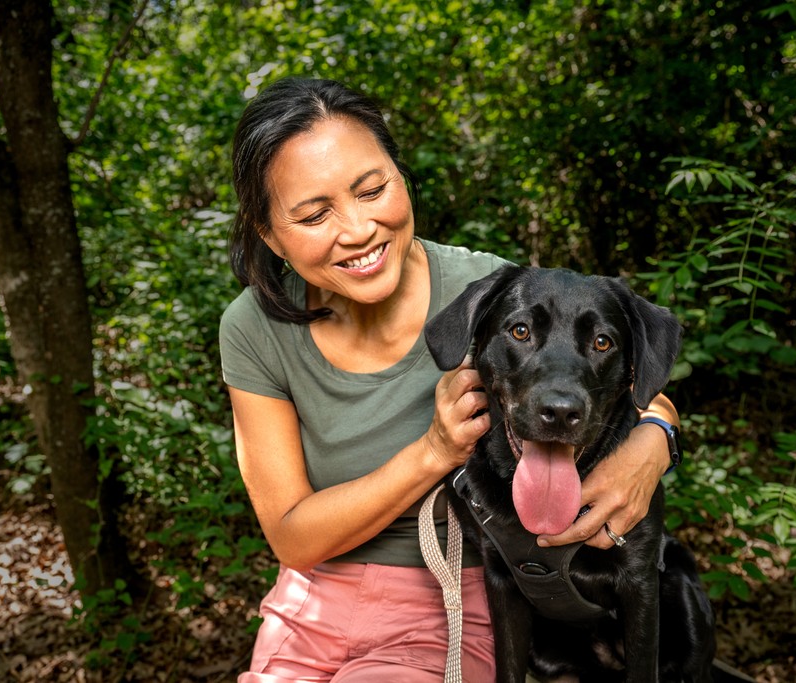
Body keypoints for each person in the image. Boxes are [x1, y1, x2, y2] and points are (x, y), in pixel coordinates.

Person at [220, 77, 680, 682]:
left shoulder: (491, 291)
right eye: (314, 213)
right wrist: (434, 451)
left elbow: (611, 375)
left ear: (402, 177)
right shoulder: (255, 326)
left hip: (447, 596)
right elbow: (292, 539)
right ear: (268, 232)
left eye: (372, 189)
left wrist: (657, 438)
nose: (358, 230)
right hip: (307, 605)